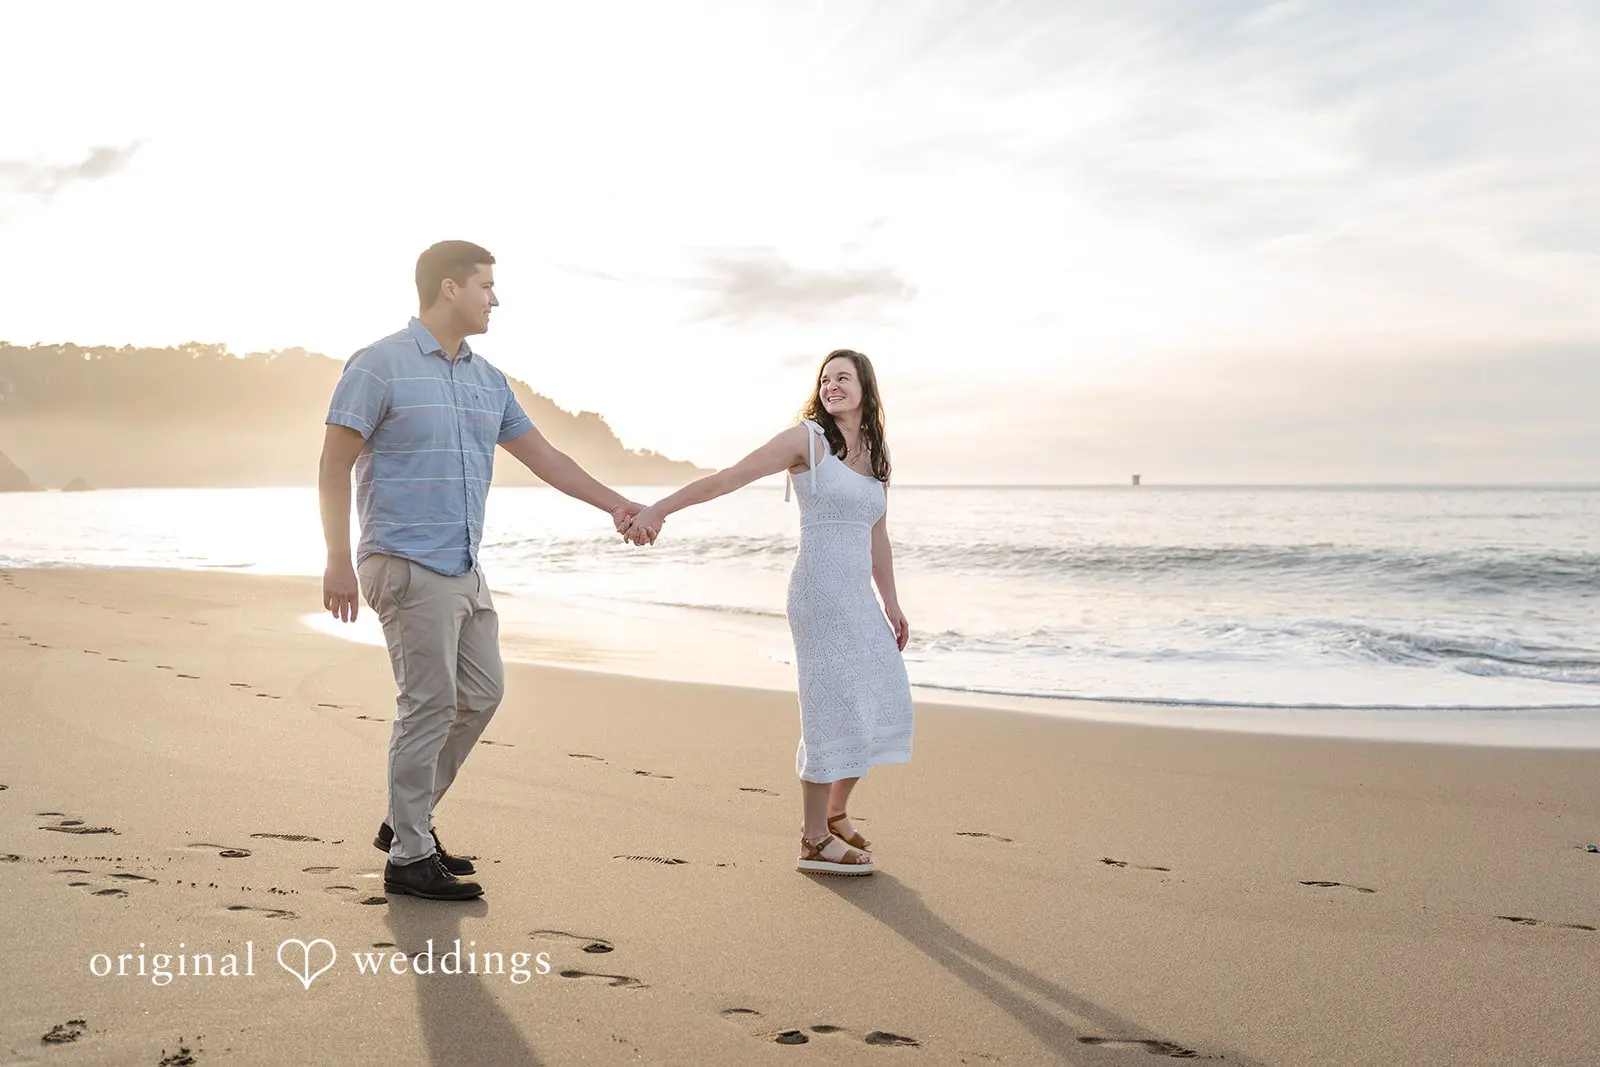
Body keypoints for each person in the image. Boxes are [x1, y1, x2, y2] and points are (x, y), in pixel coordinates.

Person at [318, 240, 653, 901]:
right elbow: (333, 463)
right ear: (449, 288)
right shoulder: (378, 365)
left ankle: (406, 820)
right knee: (429, 704)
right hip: (404, 559)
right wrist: (336, 557)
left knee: (482, 691)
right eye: (485, 286)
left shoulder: (487, 379)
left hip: (465, 564)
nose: (494, 298)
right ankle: (410, 855)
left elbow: (548, 459)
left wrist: (619, 504)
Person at [624, 349, 912, 875]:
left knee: (882, 693)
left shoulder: (877, 451)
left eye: (843, 378)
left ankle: (837, 810)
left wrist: (890, 601)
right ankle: (812, 838)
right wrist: (659, 510)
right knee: (828, 707)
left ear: (866, 389)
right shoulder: (807, 439)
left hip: (858, 597)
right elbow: (729, 478)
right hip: (820, 595)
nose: (832, 386)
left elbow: (878, 534)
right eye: (825, 379)